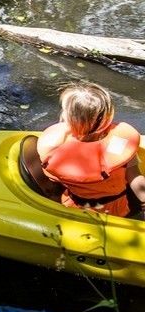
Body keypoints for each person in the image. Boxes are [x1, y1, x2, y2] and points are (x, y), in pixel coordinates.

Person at [37, 81, 145, 217]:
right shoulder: (119, 147)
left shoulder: (54, 149)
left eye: (64, 110)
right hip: (116, 209)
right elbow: (136, 179)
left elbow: (53, 178)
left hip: (76, 206)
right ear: (107, 116)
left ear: (70, 119)